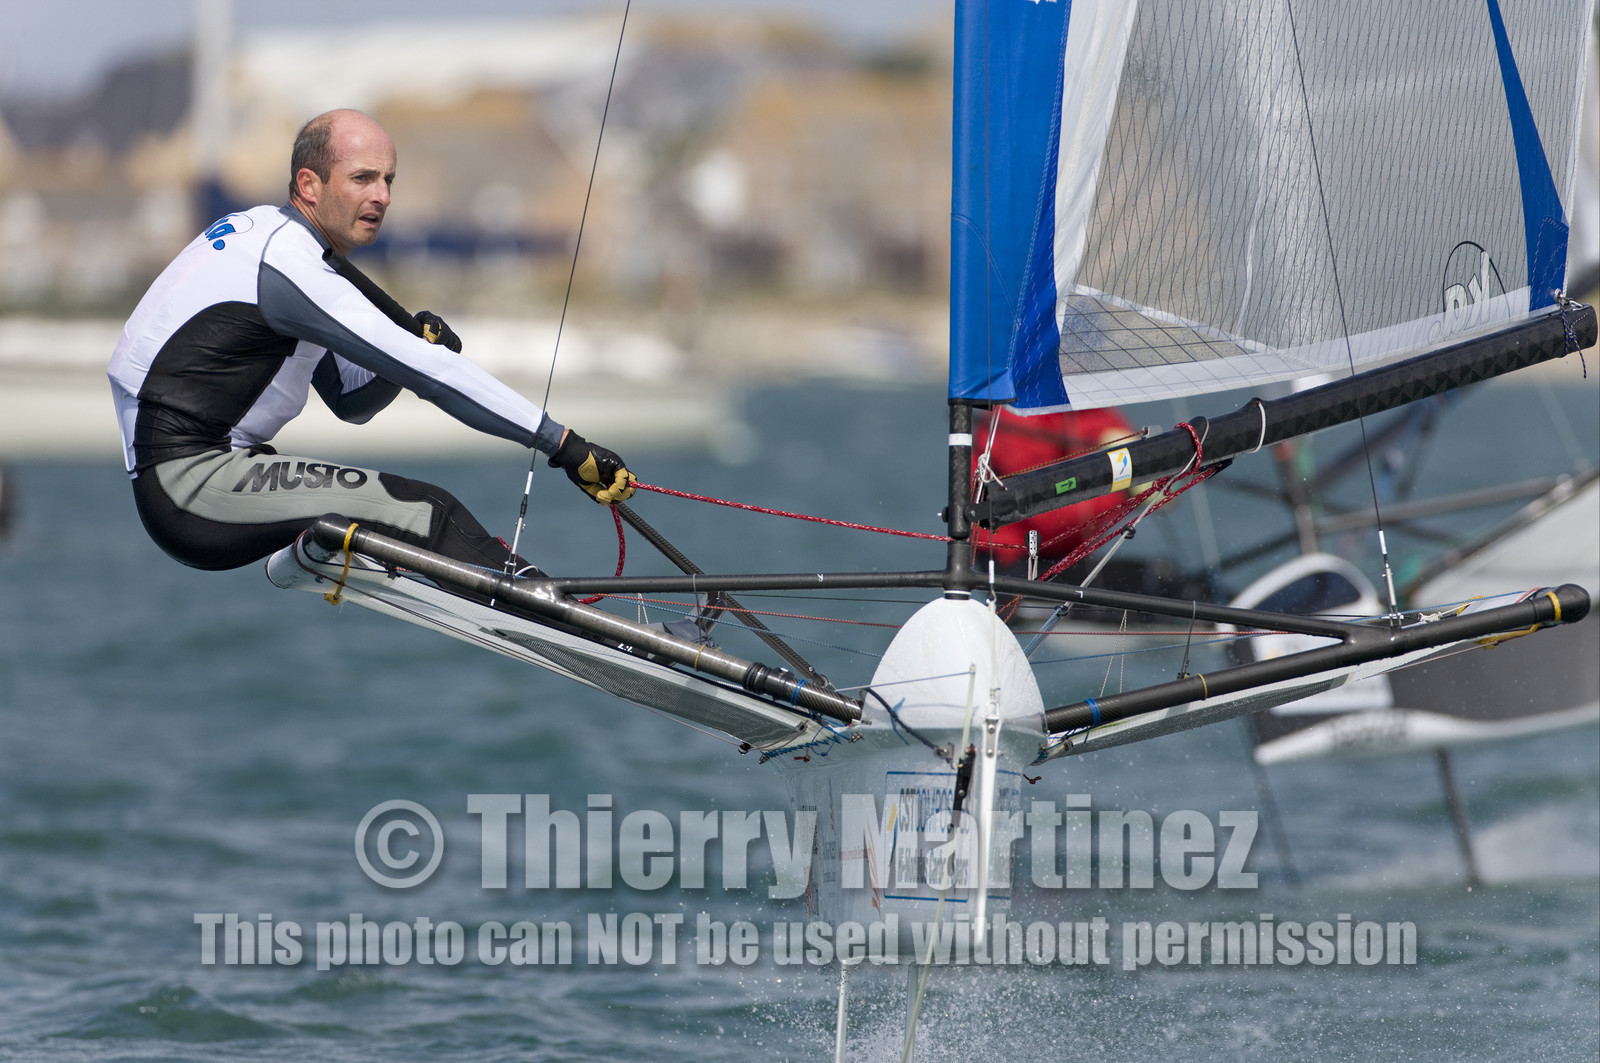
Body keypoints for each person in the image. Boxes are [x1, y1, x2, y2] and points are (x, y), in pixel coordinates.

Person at [108, 109, 633, 574]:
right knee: (427, 513)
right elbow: (435, 378)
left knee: (420, 513)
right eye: (362, 178)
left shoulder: (272, 237)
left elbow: (349, 400)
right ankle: (562, 619)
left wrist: (405, 344)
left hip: (197, 479)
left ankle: (542, 606)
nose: (381, 195)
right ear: (309, 184)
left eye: (388, 180)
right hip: (191, 488)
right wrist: (564, 445)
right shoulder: (290, 267)